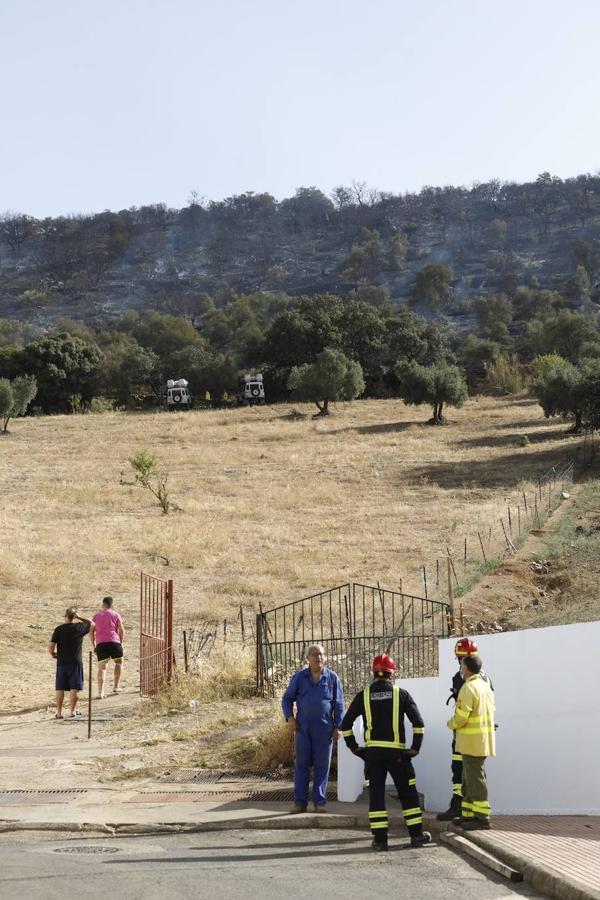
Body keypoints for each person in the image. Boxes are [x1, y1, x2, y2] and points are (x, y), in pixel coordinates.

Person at [341, 653, 431, 851]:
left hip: (373, 756)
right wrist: (415, 748)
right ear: (392, 673)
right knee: (408, 795)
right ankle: (416, 836)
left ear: (374, 672)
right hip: (398, 756)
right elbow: (419, 724)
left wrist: (355, 749)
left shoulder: (363, 695)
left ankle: (380, 841)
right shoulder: (401, 694)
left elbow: (345, 725)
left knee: (376, 797)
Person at [282, 644, 344, 813]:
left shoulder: (332, 678)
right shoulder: (299, 678)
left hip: (324, 730)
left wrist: (338, 726)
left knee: (322, 766)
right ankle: (300, 803)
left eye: (322, 655)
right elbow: (287, 699)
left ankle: (319, 803)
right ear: (308, 658)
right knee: (301, 765)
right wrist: (290, 718)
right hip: (303, 729)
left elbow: (339, 704)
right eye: (315, 655)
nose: (319, 658)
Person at [437, 637, 493, 821]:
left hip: (465, 735)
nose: (460, 665)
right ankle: (468, 812)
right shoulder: (486, 679)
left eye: (460, 660)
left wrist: (452, 725)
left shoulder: (465, 680)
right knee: (473, 773)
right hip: (481, 735)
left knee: (463, 772)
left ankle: (460, 807)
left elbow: (462, 711)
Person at [447, 653, 496, 831]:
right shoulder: (484, 687)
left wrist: (450, 724)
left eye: (462, 666)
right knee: (467, 778)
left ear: (466, 668)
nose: (461, 669)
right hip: (479, 740)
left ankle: (482, 818)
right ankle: (468, 814)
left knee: (475, 779)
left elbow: (461, 716)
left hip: (471, 741)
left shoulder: (468, 688)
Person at [48, 607, 93, 719]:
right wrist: (78, 616)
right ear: (74, 617)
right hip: (75, 661)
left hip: (62, 661)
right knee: (74, 687)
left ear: (65, 616)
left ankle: (58, 712)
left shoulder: (59, 629)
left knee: (60, 688)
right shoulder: (79, 627)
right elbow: (91, 623)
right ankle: (72, 711)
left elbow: (51, 646)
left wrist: (53, 654)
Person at [91, 596, 124, 699]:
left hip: (101, 643)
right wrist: (120, 642)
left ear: (103, 604)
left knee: (102, 668)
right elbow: (121, 629)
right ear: (111, 604)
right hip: (114, 641)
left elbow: (91, 631)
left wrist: (94, 644)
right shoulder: (115, 614)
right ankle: (116, 686)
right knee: (118, 662)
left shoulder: (96, 616)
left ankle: (100, 692)